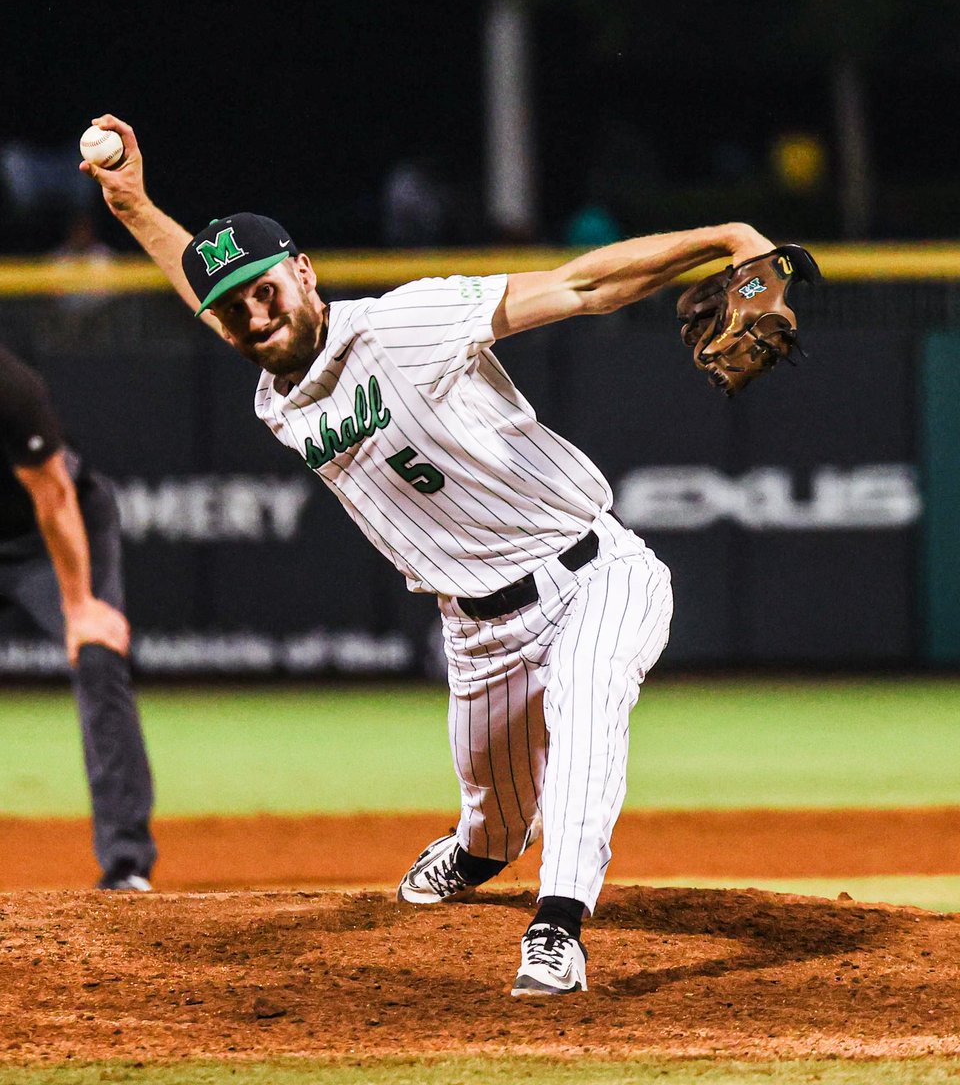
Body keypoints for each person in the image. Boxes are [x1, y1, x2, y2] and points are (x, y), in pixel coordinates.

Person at [82, 113, 775, 994]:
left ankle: (558, 927)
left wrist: (726, 237)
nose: (254, 313)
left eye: (267, 290)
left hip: (592, 572)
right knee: (493, 823)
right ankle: (480, 853)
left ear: (304, 272)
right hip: (477, 632)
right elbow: (204, 286)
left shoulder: (404, 326)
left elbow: (582, 286)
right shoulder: (272, 378)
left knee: (587, 696)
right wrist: (137, 205)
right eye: (232, 308)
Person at [0, 342, 156, 890]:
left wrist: (79, 606)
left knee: (97, 654)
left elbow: (54, 496)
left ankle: (126, 866)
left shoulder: (10, 385)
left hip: (56, 534)